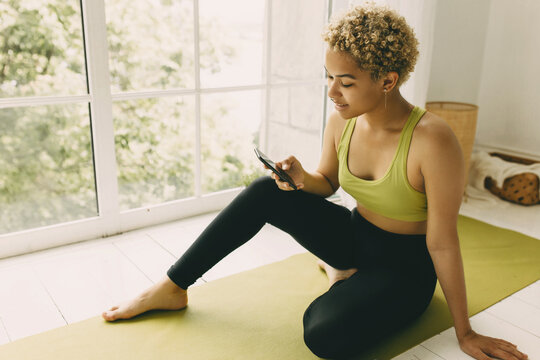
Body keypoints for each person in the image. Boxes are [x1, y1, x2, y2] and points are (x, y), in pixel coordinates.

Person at [102, 4, 528, 360]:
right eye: (328, 77)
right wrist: (301, 178)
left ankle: (342, 275)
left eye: (345, 82)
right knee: (263, 190)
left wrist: (466, 333)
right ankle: (172, 286)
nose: (332, 92)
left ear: (387, 81)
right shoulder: (342, 122)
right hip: (357, 234)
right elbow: (328, 182)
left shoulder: (432, 141)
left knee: (322, 335)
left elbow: (443, 243)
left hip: (406, 268)